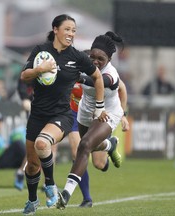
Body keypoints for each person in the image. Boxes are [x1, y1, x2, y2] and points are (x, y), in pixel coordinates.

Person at [19, 14, 105, 215]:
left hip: (62, 115)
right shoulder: (40, 51)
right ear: (55, 29)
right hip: (37, 114)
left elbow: (98, 78)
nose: (71, 34)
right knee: (32, 166)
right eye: (67, 29)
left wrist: (99, 107)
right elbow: (24, 76)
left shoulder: (77, 57)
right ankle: (32, 200)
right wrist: (40, 69)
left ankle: (50, 185)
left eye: (73, 30)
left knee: (43, 143)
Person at [56, 31, 126, 209]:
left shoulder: (111, 75)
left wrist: (123, 116)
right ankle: (110, 145)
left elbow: (95, 80)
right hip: (85, 111)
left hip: (107, 113)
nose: (95, 61)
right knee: (90, 146)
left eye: (100, 59)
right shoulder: (84, 60)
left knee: (84, 145)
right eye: (92, 56)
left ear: (109, 60)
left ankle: (66, 194)